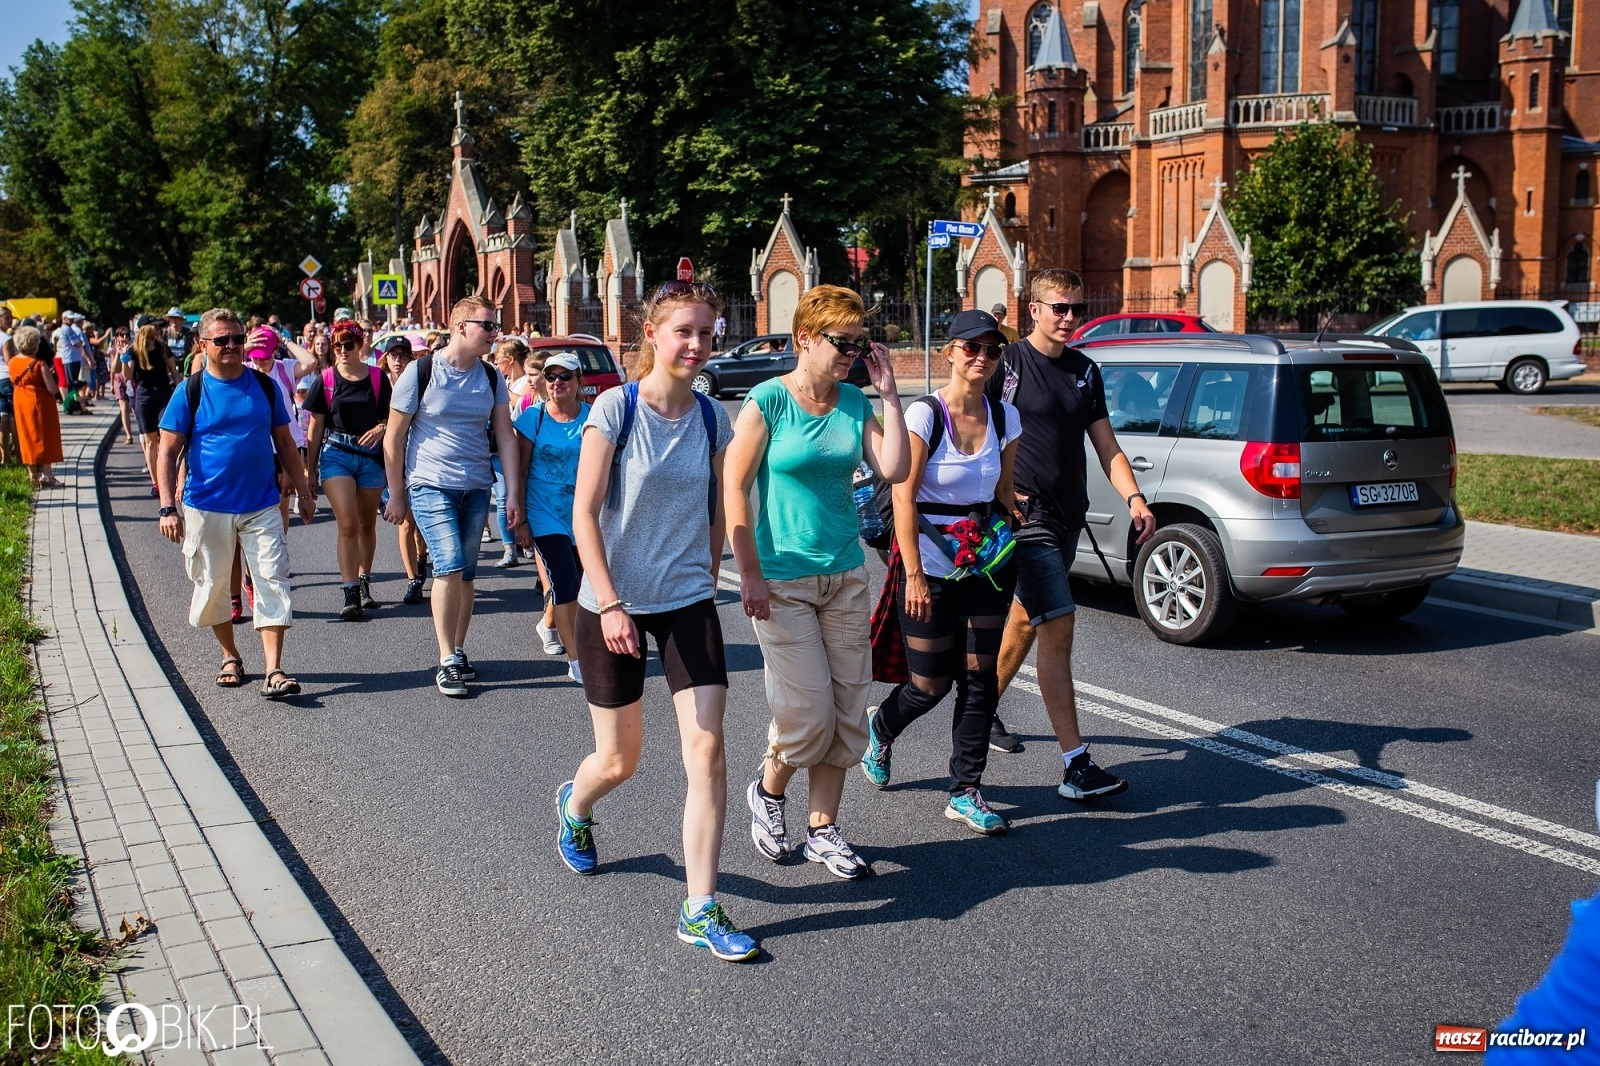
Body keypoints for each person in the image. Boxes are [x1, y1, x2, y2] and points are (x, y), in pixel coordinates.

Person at [556, 279, 755, 962]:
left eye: (706, 332)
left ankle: (700, 907)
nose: (697, 344)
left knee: (707, 750)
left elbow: (718, 505)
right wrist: (610, 603)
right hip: (609, 602)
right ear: (653, 336)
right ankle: (576, 807)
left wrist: (719, 568)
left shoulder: (710, 419)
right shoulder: (616, 408)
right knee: (620, 759)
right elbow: (583, 514)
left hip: (687, 601)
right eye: (684, 332)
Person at [724, 284, 909, 880]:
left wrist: (889, 396)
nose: (852, 353)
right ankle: (768, 790)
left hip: (844, 576)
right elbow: (734, 487)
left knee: (850, 710)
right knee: (808, 713)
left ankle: (823, 828)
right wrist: (747, 570)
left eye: (858, 344)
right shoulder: (767, 401)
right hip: (782, 581)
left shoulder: (855, 401)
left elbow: (896, 467)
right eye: (841, 342)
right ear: (805, 337)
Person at [987, 268, 1157, 797]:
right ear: (1032, 309)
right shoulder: (1007, 364)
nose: (1069, 318)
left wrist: (1134, 498)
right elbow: (970, 426)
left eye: (1076, 309)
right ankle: (1075, 765)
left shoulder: (1086, 371)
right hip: (1023, 519)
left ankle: (973, 713)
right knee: (1058, 626)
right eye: (1058, 307)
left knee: (1023, 624)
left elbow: (1106, 446)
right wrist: (997, 488)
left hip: (1065, 518)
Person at [860, 311, 1021, 834]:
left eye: (992, 350)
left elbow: (1002, 492)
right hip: (928, 565)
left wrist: (1026, 518)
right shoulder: (925, 416)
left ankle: (966, 788)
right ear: (948, 352)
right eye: (971, 347)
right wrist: (912, 575)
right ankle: (881, 728)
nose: (982, 357)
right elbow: (903, 496)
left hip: (986, 568)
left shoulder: (1004, 417)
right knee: (929, 684)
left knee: (980, 680)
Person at [155, 308, 316, 698]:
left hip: (261, 503)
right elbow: (167, 452)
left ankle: (274, 670)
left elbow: (284, 442)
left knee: (272, 581)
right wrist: (166, 507)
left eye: (237, 339)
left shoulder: (263, 387)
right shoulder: (190, 391)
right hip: (206, 504)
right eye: (222, 340)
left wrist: (304, 490)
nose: (232, 346)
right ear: (202, 344)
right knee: (211, 585)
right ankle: (230, 655)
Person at [382, 294, 519, 697]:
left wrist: (512, 492)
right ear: (462, 327)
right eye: (488, 326)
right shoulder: (420, 372)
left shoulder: (491, 376)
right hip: (429, 482)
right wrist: (396, 494)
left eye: (496, 327)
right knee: (449, 563)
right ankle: (445, 660)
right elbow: (394, 437)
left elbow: (505, 436)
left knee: (467, 574)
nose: (495, 333)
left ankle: (458, 650)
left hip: (476, 485)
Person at [305, 322, 392, 620]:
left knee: (367, 525)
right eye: (337, 345)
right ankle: (350, 592)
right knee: (348, 523)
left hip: (370, 458)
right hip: (337, 454)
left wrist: (382, 427)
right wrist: (309, 470)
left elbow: (390, 419)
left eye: (348, 345)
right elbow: (315, 427)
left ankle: (365, 581)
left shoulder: (378, 378)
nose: (342, 351)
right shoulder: (326, 379)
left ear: (361, 344)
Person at [509, 352, 588, 682]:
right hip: (544, 513)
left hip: (583, 515)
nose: (557, 382)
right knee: (566, 580)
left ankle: (549, 623)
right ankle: (577, 661)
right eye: (551, 376)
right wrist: (521, 520)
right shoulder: (533, 418)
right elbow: (521, 470)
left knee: (582, 582)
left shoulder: (593, 416)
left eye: (565, 376)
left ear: (578, 381)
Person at [376, 335, 429, 605]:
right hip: (394, 459)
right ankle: (412, 580)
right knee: (406, 522)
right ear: (385, 359)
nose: (397, 360)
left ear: (410, 359)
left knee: (421, 526)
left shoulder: (421, 383)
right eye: (393, 355)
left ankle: (422, 559)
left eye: (402, 355)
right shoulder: (380, 385)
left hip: (421, 459)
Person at [8, 326, 65, 487]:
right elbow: (52, 389)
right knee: (45, 436)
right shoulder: (39, 364)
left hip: (20, 402)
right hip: (40, 404)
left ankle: (32, 474)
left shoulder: (12, 362)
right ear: (35, 345)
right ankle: (47, 475)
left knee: (26, 436)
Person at [129, 322, 180, 497]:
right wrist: (122, 358)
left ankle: (170, 478)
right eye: (153, 332)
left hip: (164, 394)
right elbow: (128, 376)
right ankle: (156, 482)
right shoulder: (134, 351)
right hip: (144, 397)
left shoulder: (162, 348)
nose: (156, 334)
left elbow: (173, 371)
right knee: (150, 441)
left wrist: (181, 393)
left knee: (166, 436)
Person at [490, 336, 528, 568]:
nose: (495, 363)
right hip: (496, 448)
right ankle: (510, 548)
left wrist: (501, 390)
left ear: (510, 360)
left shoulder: (523, 383)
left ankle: (519, 544)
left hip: (515, 447)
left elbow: (525, 401)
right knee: (503, 497)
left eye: (499, 359)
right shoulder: (505, 381)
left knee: (510, 497)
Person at [110, 327, 135, 444]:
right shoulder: (114, 350)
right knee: (124, 408)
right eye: (121, 335)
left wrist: (124, 354)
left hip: (131, 381)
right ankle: (129, 435)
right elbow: (114, 369)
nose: (124, 337)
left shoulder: (133, 350)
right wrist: (117, 353)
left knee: (134, 409)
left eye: (127, 335)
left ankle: (142, 432)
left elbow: (129, 371)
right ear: (117, 338)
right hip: (118, 381)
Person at [165, 308, 194, 375]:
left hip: (185, 368)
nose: (174, 320)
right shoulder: (165, 333)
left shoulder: (188, 333)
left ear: (181, 319)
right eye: (172, 318)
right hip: (169, 368)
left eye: (176, 318)